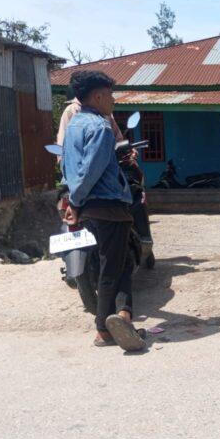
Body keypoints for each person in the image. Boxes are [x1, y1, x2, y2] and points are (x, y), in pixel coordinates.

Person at [62, 70, 145, 351]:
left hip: (89, 207)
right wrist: (76, 201)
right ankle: (103, 330)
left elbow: (68, 168)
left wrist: (75, 201)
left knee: (120, 262)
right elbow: (91, 170)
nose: (113, 100)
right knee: (112, 266)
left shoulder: (74, 125)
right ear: (97, 96)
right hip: (107, 204)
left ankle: (123, 317)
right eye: (110, 95)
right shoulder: (100, 127)